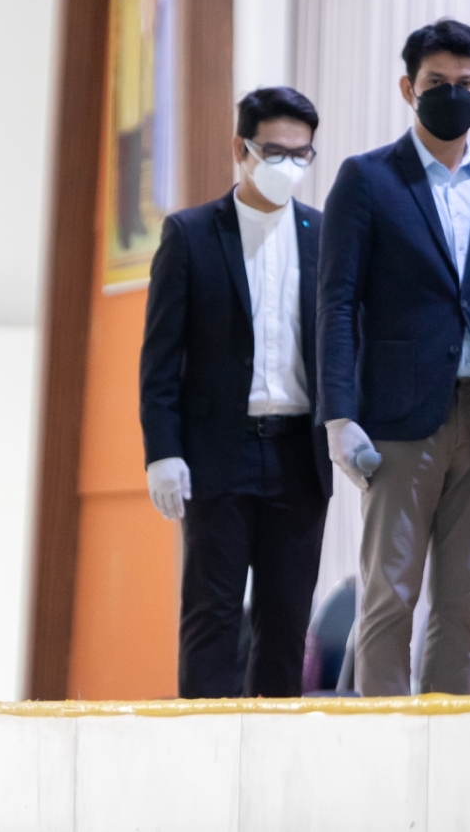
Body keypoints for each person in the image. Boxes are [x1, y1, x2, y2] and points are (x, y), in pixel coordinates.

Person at [318, 19, 470, 696]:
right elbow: (336, 303)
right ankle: (381, 742)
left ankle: (448, 736)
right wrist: (338, 416)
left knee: (466, 598)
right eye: (436, 82)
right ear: (408, 88)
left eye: (465, 83)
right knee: (389, 591)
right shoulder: (367, 179)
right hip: (398, 415)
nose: (451, 94)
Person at [139, 86, 333, 698]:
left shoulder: (322, 235)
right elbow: (160, 358)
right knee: (212, 617)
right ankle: (203, 748)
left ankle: (275, 751)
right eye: (274, 152)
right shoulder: (192, 233)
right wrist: (162, 452)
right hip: (219, 451)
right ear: (240, 149)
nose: (288, 166)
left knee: (286, 623)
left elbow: (340, 343)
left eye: (301, 154)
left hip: (298, 454)